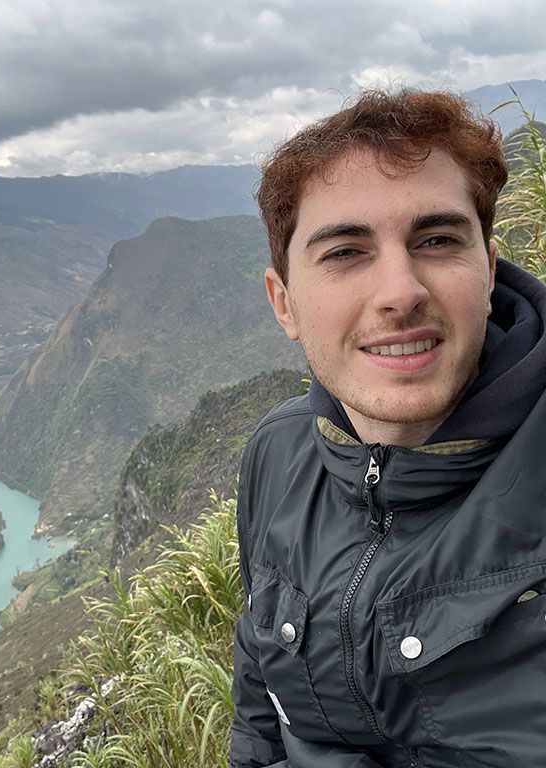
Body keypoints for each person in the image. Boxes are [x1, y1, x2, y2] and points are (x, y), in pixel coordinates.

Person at [229, 88, 546, 768]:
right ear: (284, 303)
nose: (401, 291)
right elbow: (259, 704)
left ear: (487, 270)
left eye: (436, 240)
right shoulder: (279, 456)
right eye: (345, 252)